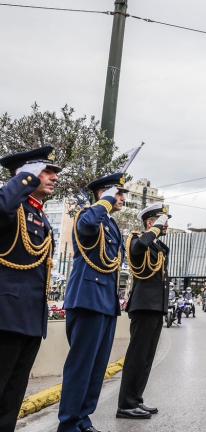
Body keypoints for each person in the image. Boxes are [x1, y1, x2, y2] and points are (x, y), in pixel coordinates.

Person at [59, 173, 127, 432]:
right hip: (87, 300)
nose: (122, 198)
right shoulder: (88, 216)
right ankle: (68, 425)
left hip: (105, 301)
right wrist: (105, 202)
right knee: (81, 366)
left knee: (96, 367)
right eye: (117, 193)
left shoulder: (110, 223)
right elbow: (87, 226)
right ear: (103, 194)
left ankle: (82, 419)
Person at [0, 147, 60, 431]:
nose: (54, 177)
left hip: (31, 319)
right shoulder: (12, 209)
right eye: (47, 171)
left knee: (12, 397)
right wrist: (23, 178)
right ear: (28, 172)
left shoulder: (40, 216)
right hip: (6, 316)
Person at [117, 203, 171, 419]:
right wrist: (155, 229)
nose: (166, 224)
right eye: (162, 221)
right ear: (151, 222)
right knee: (137, 357)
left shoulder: (156, 246)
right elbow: (139, 248)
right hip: (144, 306)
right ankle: (125, 404)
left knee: (147, 358)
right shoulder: (137, 241)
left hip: (156, 307)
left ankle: (136, 399)